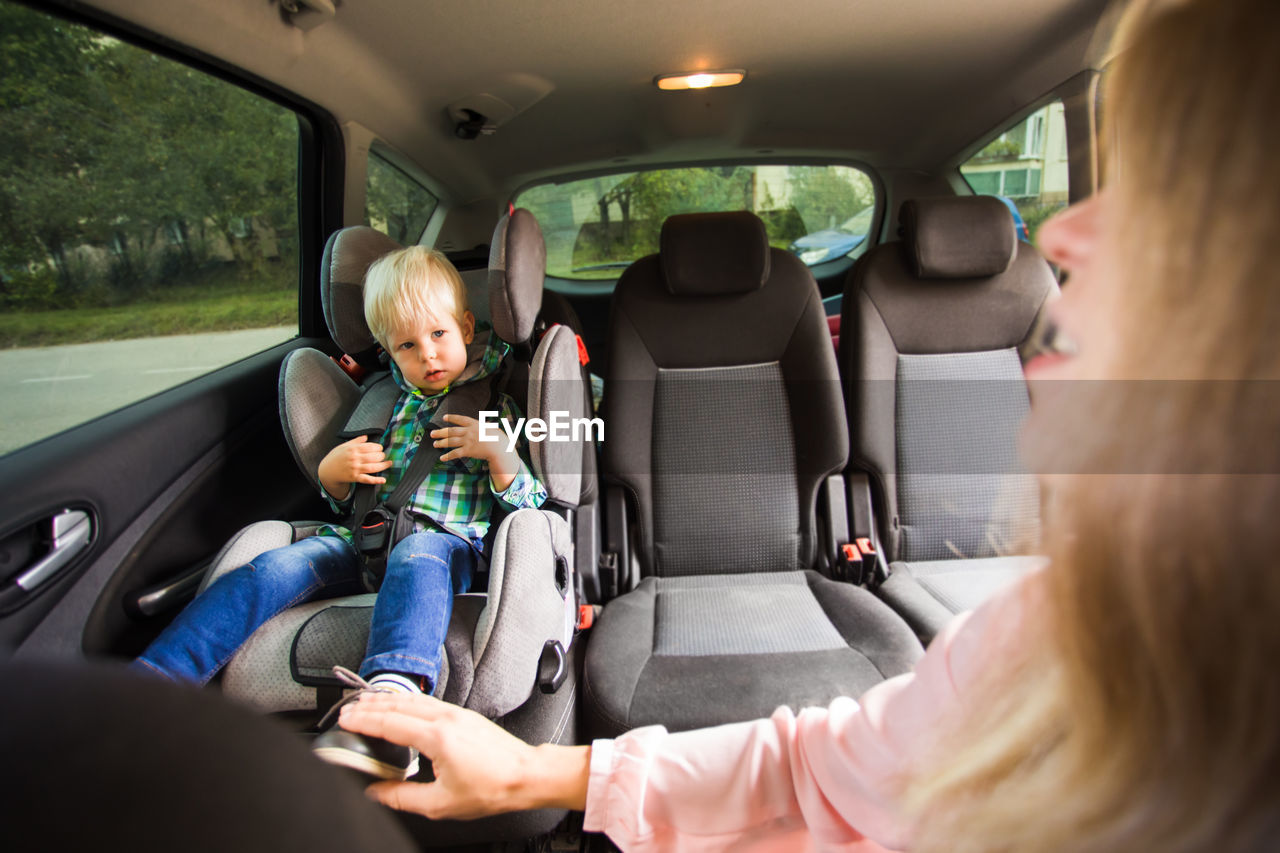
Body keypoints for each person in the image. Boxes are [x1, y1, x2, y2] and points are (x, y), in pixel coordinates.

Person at [334, 0, 1280, 849]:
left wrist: (509, 458)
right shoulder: (1070, 631)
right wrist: (539, 775)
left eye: (1171, 182)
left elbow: (551, 469)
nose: (1061, 237)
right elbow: (830, 768)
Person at [134, 245, 547, 781]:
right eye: (408, 344)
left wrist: (500, 455)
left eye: (439, 334)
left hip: (447, 544)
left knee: (419, 552)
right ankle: (153, 682)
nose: (428, 355)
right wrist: (334, 472)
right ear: (389, 352)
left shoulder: (495, 406)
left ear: (466, 327)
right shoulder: (380, 404)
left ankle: (393, 704)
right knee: (274, 568)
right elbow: (348, 502)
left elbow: (532, 504)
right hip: (361, 540)